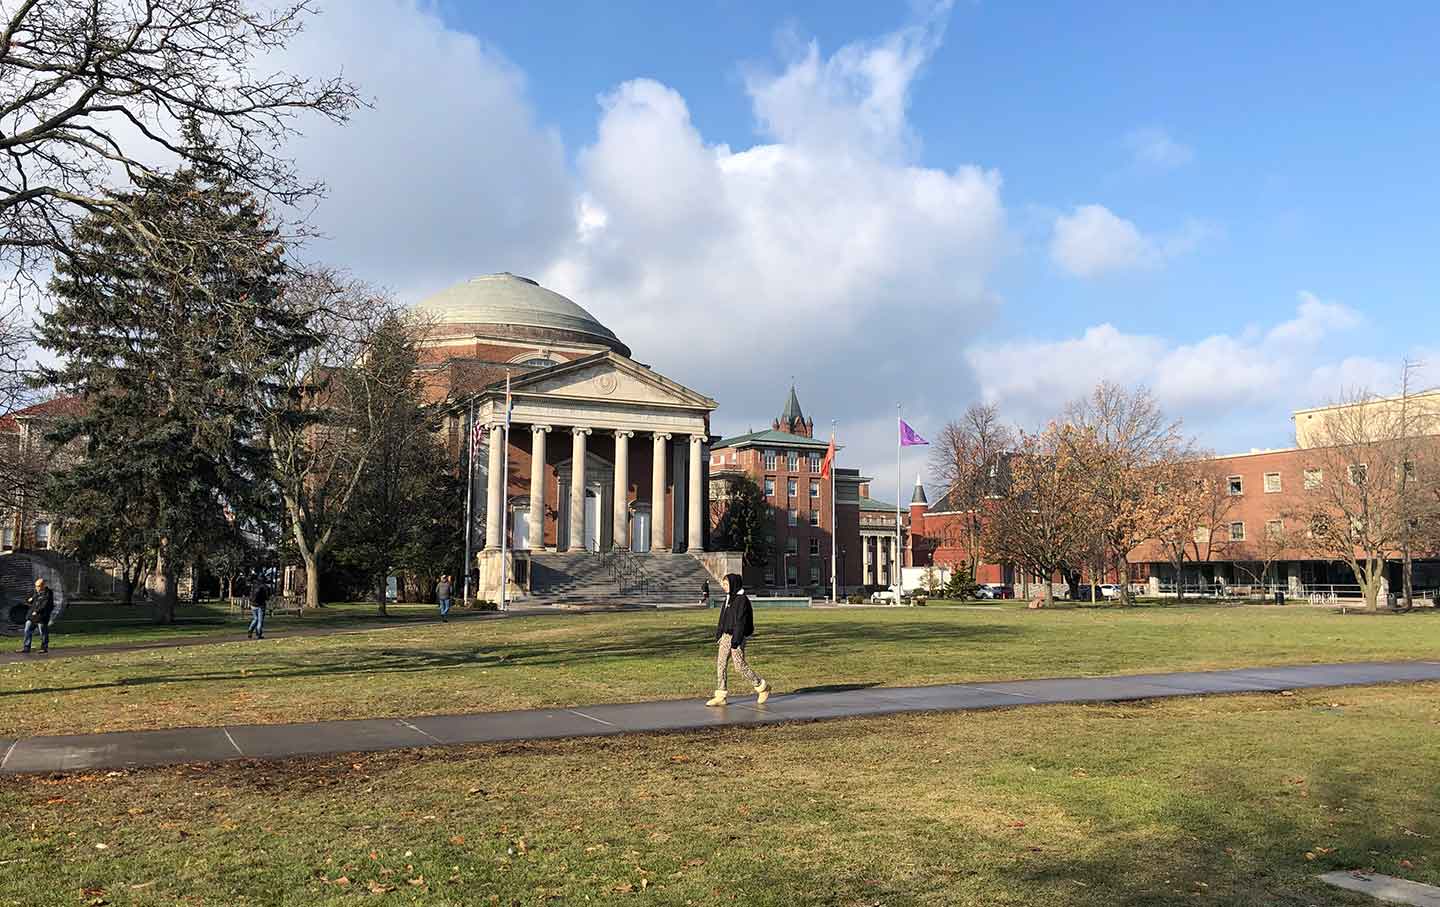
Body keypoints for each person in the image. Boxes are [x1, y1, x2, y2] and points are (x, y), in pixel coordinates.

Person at [706, 573, 771, 707]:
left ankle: (762, 687)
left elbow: (741, 622)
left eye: (726, 584)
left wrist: (736, 640)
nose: (724, 587)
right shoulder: (728, 598)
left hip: (737, 637)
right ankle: (721, 695)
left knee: (739, 666)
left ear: (733, 584)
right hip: (725, 636)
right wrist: (719, 634)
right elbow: (722, 618)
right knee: (721, 664)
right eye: (723, 584)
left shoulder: (742, 600)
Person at [19, 577, 55, 654]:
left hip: (42, 616)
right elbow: (26, 600)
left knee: (43, 632)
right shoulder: (34, 592)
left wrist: (37, 611)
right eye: (36, 586)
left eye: (38, 586)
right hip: (32, 616)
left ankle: (44, 648)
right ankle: (26, 647)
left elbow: (45, 605)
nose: (36, 588)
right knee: (27, 630)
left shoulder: (48, 593)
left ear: (43, 586)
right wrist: (29, 601)